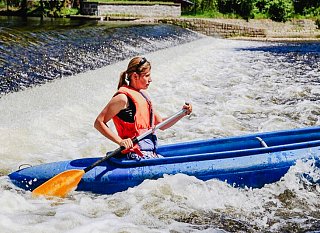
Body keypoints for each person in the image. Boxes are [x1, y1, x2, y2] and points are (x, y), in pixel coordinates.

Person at [94, 56, 192, 160]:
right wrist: (120, 141)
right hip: (134, 155)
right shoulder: (122, 98)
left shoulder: (144, 96)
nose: (150, 80)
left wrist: (182, 113)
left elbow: (161, 124)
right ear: (135, 76)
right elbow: (98, 123)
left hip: (149, 153)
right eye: (147, 76)